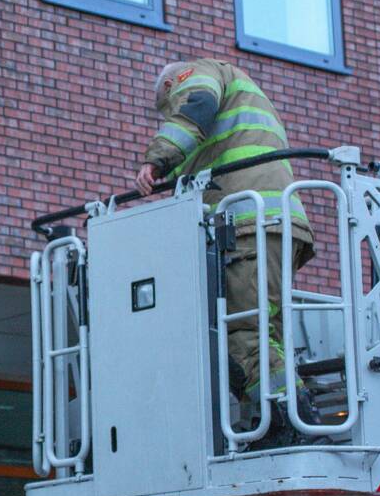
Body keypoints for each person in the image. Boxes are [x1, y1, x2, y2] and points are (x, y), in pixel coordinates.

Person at [134, 58, 317, 446]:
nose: (167, 113)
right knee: (267, 333)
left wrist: (157, 159)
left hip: (248, 225)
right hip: (275, 222)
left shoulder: (196, 74)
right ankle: (275, 420)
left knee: (243, 333)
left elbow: (197, 105)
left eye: (164, 108)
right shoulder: (240, 90)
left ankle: (290, 423)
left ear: (169, 86)